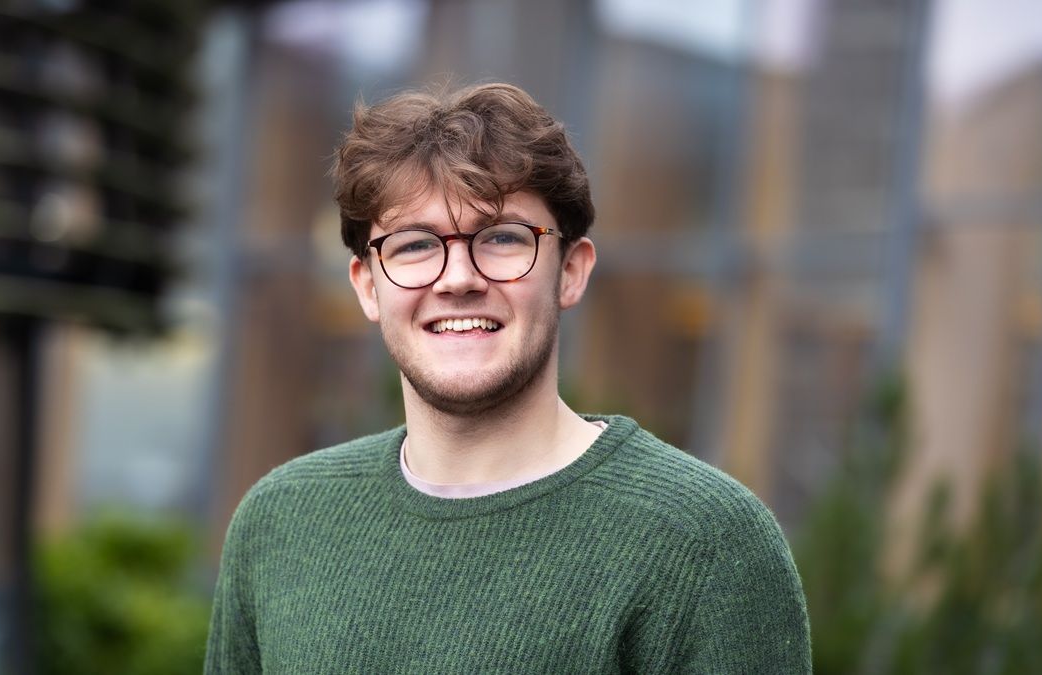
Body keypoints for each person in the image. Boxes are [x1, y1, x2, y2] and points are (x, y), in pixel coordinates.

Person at [205, 82, 811, 673]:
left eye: (500, 238)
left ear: (570, 272)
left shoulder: (703, 543)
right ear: (368, 285)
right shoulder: (281, 519)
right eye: (414, 245)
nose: (457, 278)